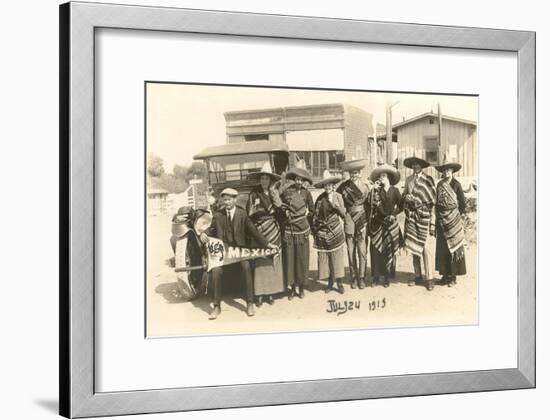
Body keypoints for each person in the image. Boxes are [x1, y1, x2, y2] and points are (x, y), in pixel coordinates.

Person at [201, 188, 277, 320]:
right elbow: (211, 229)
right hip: (225, 253)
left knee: (246, 267)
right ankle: (217, 306)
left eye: (229, 199)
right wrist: (203, 233)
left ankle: (250, 303)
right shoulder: (219, 215)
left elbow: (253, 231)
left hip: (240, 252)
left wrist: (267, 244)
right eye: (225, 200)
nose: (227, 202)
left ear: (235, 200)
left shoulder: (242, 214)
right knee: (216, 270)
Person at [246, 163, 285, 306]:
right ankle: (260, 294)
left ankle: (270, 293)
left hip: (273, 230)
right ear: (259, 179)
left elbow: (280, 209)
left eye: (266, 179)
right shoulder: (254, 193)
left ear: (270, 180)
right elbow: (250, 213)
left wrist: (275, 195)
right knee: (260, 261)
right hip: (260, 230)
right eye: (262, 178)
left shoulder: (274, 193)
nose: (264, 181)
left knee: (272, 260)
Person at [277, 160, 314, 300]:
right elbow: (279, 206)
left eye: (301, 179)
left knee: (301, 259)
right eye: (296, 179)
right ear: (294, 179)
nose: (298, 181)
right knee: (290, 259)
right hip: (289, 230)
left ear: (304, 181)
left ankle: (302, 287)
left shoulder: (306, 193)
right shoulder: (286, 191)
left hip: (302, 230)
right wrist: (285, 213)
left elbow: (312, 210)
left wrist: (306, 222)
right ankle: (292, 288)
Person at [401, 156, 437, 290]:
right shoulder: (409, 180)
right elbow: (404, 196)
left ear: (422, 166)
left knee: (426, 248)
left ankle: (430, 278)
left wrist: (432, 222)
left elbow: (433, 202)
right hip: (412, 217)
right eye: (413, 165)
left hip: (425, 217)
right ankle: (417, 275)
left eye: (418, 164)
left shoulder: (428, 180)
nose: (415, 166)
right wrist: (407, 198)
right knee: (414, 247)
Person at [366, 164, 403, 288]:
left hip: (390, 224)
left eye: (384, 176)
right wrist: (373, 190)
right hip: (378, 224)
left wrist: (393, 214)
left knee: (388, 251)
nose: (381, 178)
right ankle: (376, 277)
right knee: (376, 250)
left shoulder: (395, 191)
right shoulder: (377, 191)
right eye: (380, 176)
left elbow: (401, 206)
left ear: (389, 178)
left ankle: (387, 277)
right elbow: (369, 205)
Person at [336, 159, 370, 289]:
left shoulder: (365, 187)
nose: (354, 175)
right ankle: (354, 277)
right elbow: (338, 201)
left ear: (359, 173)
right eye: (352, 173)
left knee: (362, 250)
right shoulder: (343, 187)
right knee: (351, 250)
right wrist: (343, 214)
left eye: (356, 173)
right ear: (349, 173)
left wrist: (366, 220)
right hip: (349, 219)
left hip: (362, 219)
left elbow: (368, 205)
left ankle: (362, 277)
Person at [312, 170, 347, 294]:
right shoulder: (320, 199)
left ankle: (339, 282)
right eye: (325, 185)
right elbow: (316, 215)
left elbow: (343, 213)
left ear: (333, 185)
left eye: (329, 185)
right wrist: (317, 226)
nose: (327, 187)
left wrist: (336, 206)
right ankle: (330, 282)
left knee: (337, 257)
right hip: (323, 231)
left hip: (335, 230)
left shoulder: (338, 196)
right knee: (326, 257)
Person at [434, 160, 467, 287]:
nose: (446, 172)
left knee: (454, 248)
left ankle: (453, 277)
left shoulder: (456, 185)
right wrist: (437, 221)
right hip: (442, 220)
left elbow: (462, 204)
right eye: (444, 170)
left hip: (454, 221)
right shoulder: (439, 184)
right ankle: (444, 275)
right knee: (443, 248)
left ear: (452, 171)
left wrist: (455, 217)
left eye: (449, 170)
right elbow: (437, 204)